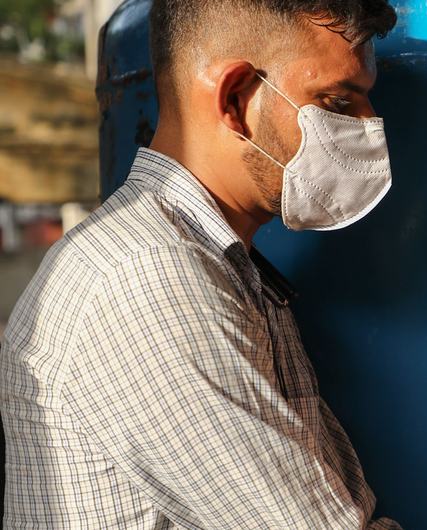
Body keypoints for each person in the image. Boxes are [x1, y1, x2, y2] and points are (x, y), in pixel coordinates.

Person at [0, 0, 401, 527]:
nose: (372, 128)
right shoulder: (148, 277)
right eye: (337, 103)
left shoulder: (214, 259)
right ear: (235, 98)